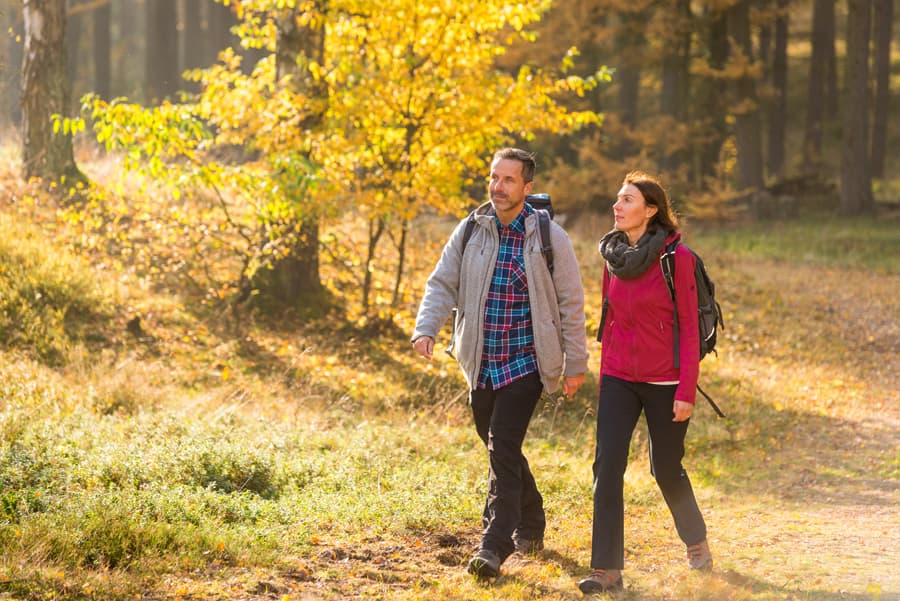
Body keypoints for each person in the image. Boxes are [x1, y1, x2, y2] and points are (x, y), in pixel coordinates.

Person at [412, 148, 589, 579]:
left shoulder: (549, 237)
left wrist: (576, 362)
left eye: (508, 180)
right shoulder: (472, 229)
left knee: (503, 445)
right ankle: (532, 518)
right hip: (481, 360)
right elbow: (442, 281)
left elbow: (571, 303)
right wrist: (426, 327)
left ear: (527, 188)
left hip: (526, 362)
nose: (498, 186)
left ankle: (494, 545)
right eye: (494, 177)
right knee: (496, 446)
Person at [578, 171, 713, 595]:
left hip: (666, 380)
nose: (617, 206)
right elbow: (610, 319)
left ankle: (696, 542)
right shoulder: (612, 256)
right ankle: (607, 570)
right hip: (619, 377)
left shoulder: (678, 258)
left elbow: (689, 328)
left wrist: (686, 391)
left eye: (627, 200)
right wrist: (605, 377)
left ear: (650, 210)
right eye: (617, 199)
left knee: (666, 469)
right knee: (607, 466)